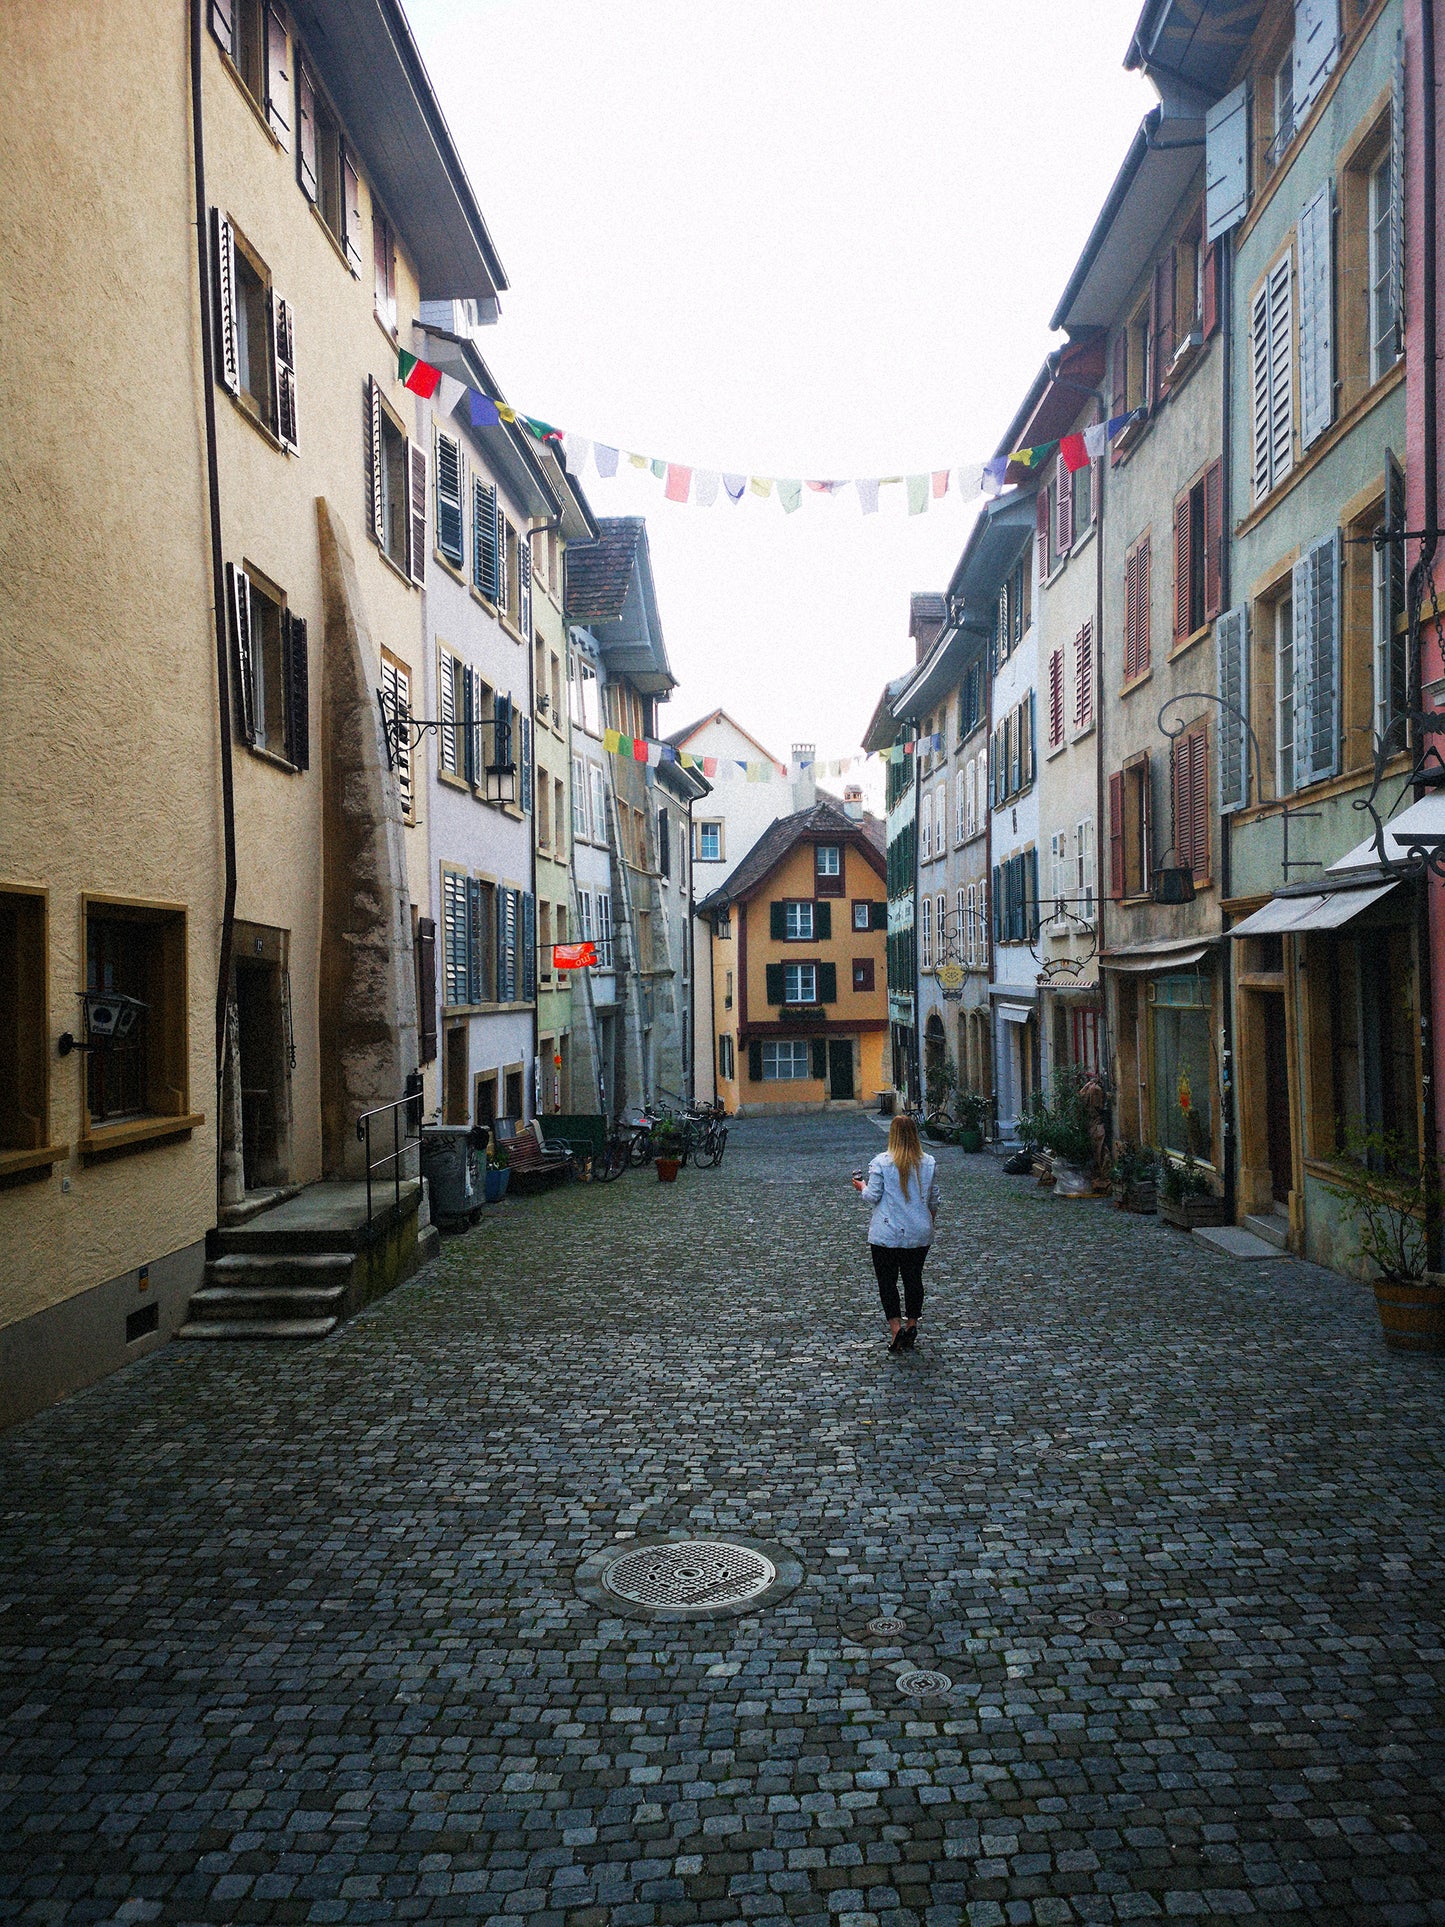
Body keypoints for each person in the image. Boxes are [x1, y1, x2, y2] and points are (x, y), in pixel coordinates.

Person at [852, 1115, 940, 1353]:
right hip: (919, 1233)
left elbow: (873, 1196)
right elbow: (934, 1199)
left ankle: (895, 1329)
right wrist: (927, 1224)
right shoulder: (929, 1162)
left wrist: (861, 1186)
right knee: (914, 1279)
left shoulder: (881, 1162)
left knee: (887, 1282)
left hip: (887, 1234)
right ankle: (912, 1323)